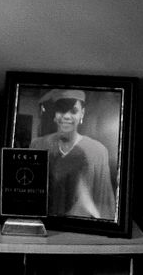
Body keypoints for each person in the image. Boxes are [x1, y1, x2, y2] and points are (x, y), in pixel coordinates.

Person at [29, 90, 115, 219]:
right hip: (44, 222)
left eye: (73, 111)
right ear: (55, 114)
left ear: (82, 113)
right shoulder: (39, 145)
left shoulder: (97, 151)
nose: (67, 116)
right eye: (62, 111)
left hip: (82, 226)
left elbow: (103, 200)